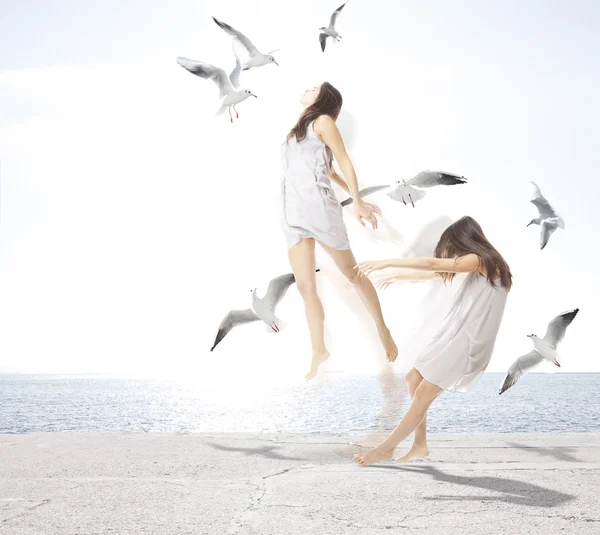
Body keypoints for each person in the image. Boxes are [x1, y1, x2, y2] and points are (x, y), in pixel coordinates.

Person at [352, 216, 512, 465]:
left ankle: (385, 449)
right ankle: (419, 445)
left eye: (454, 246)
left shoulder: (481, 260)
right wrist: (398, 277)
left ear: (464, 240)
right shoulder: (483, 264)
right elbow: (436, 273)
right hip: (456, 337)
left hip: (467, 344)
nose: (453, 254)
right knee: (413, 378)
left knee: (424, 393)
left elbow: (431, 263)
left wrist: (385, 263)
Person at [280, 82, 398, 380]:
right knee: (306, 287)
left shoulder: (324, 121)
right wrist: (357, 197)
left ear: (323, 99)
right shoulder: (300, 128)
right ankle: (319, 349)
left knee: (352, 274)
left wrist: (357, 202)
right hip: (292, 213)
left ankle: (382, 329)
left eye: (313, 87)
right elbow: (329, 171)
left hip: (320, 209)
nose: (306, 88)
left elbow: (343, 160)